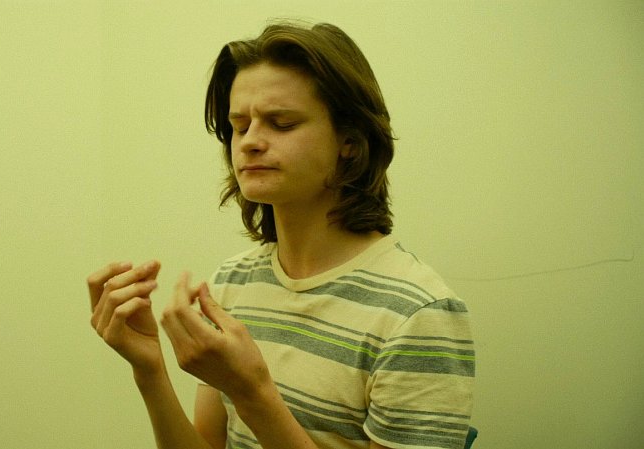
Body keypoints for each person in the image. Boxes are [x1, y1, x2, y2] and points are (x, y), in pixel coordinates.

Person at [87, 21, 474, 449]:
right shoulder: (231, 284)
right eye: (239, 126)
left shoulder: (418, 314)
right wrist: (149, 371)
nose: (250, 142)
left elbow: (253, 397)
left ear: (349, 140)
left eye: (282, 123)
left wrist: (252, 393)